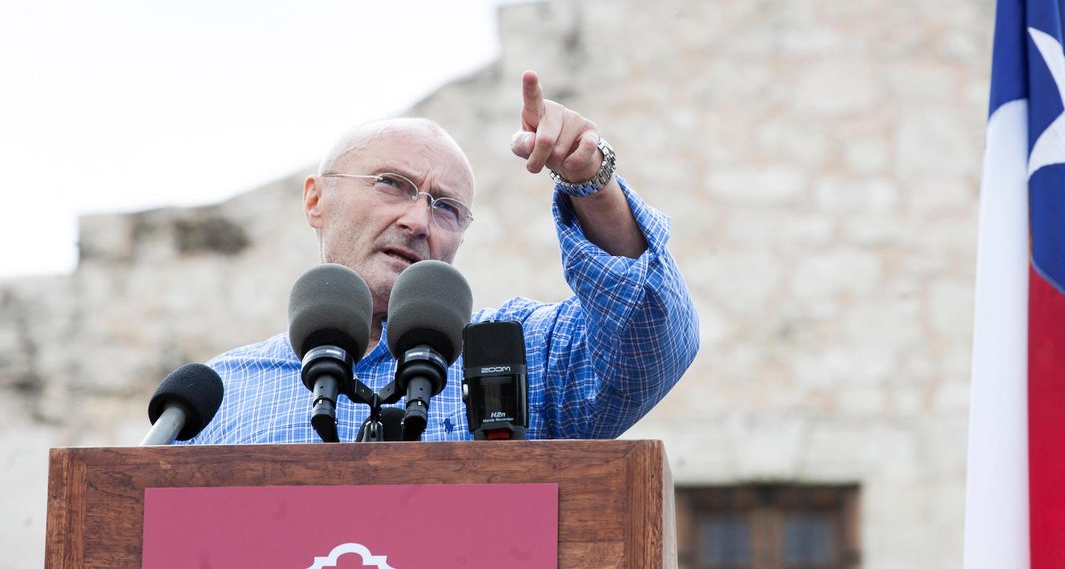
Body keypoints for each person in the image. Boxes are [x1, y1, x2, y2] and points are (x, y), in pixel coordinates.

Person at [191, 70, 699, 443]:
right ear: (316, 200)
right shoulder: (218, 399)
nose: (418, 221)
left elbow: (649, 345)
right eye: (392, 184)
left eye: (447, 208)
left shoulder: (514, 357)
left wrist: (592, 183)